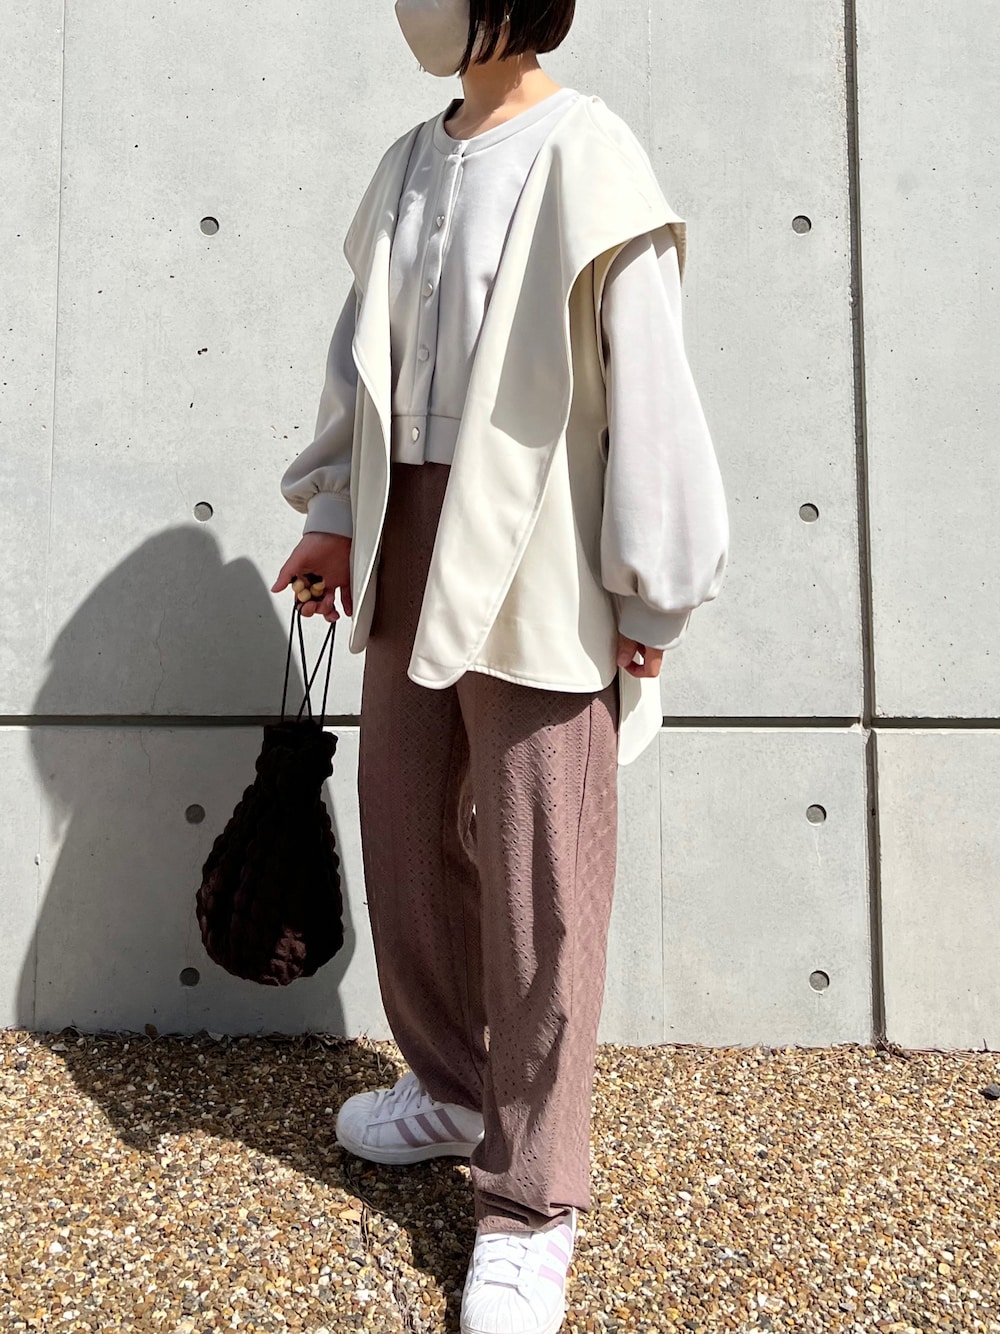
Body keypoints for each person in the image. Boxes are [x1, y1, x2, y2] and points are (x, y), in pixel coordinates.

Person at [271, 3, 730, 1331]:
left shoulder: (591, 155)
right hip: (408, 525)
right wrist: (334, 514)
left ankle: (533, 1204)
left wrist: (651, 586)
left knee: (542, 873)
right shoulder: (412, 159)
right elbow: (364, 360)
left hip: (540, 541)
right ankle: (454, 1085)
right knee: (406, 825)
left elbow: (649, 384)